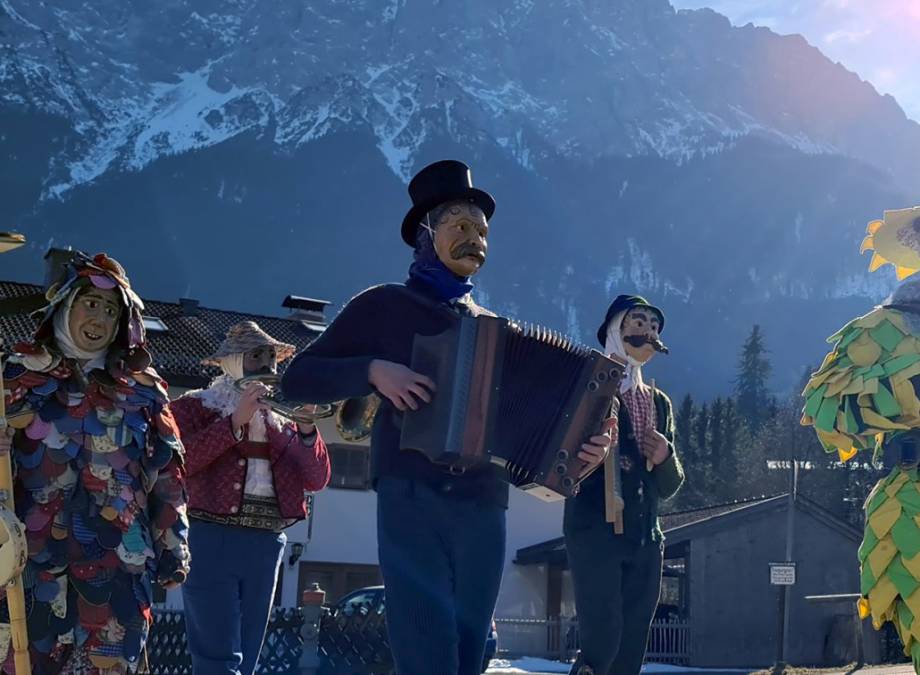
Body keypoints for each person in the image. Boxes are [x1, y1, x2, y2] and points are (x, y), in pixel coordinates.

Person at [281, 159, 613, 675]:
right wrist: (374, 371)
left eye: (482, 231)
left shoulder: (494, 331)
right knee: (423, 644)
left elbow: (543, 435)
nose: (475, 238)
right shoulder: (384, 305)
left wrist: (583, 453)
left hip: (483, 505)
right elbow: (298, 378)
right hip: (410, 495)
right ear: (425, 233)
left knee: (469, 648)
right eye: (461, 225)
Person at [0, 252, 189, 674]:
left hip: (121, 561)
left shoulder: (145, 392)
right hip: (32, 560)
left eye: (110, 310)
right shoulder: (16, 378)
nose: (100, 317)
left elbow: (168, 478)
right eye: (90, 303)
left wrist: (174, 547)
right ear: (64, 308)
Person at [169, 321, 330, 675]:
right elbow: (180, 462)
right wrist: (233, 423)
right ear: (233, 362)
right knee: (217, 655)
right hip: (211, 536)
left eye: (272, 358)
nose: (267, 366)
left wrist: (306, 430)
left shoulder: (282, 420)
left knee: (248, 649)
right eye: (257, 357)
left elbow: (316, 479)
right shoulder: (195, 407)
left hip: (267, 540)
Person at [564, 294, 684, 675]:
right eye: (639, 323)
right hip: (596, 532)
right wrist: (588, 455)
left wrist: (666, 457)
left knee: (632, 645)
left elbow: (669, 486)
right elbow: (558, 460)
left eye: (654, 327)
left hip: (647, 537)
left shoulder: (659, 403)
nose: (648, 333)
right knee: (601, 641)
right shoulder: (586, 386)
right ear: (616, 329)